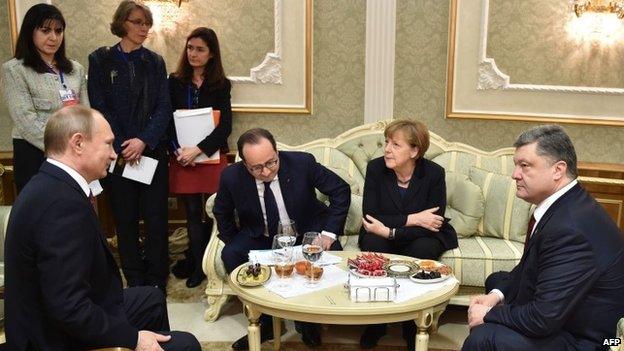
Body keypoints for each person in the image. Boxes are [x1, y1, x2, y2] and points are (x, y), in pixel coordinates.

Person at [3, 105, 200, 351]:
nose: (113, 155)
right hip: (53, 337)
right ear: (78, 143)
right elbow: (68, 309)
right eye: (108, 144)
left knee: (151, 297)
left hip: (69, 311)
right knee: (186, 344)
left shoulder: (51, 184)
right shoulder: (60, 205)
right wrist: (134, 338)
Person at [463, 125, 624, 351]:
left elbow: (543, 318)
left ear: (558, 170)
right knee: (497, 282)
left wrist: (489, 314)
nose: (514, 174)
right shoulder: (566, 204)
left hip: (593, 341)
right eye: (516, 165)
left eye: (525, 166)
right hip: (566, 318)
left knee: (485, 338)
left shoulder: (570, 228)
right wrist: (496, 297)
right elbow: (528, 267)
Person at [213, 128, 351, 350]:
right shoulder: (231, 176)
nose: (266, 172)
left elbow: (340, 190)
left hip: (306, 232)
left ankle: (308, 321)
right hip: (261, 235)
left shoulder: (302, 163)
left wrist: (328, 233)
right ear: (244, 163)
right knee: (231, 253)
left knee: (330, 252)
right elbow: (222, 212)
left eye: (271, 163)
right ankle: (264, 321)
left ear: (277, 152)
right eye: (256, 168)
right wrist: (232, 239)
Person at [88, 0, 172, 292]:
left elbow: (164, 107)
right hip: (119, 155)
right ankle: (134, 278)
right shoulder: (101, 60)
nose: (144, 28)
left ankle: (157, 278)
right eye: (137, 22)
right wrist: (126, 143)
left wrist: (143, 140)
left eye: (147, 23)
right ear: (122, 23)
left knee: (156, 219)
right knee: (124, 220)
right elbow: (99, 106)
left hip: (152, 153)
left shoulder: (155, 61)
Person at [357, 119, 458, 349]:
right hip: (385, 233)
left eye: (395, 144)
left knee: (423, 248)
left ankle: (411, 324)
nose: (387, 149)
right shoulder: (375, 168)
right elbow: (371, 216)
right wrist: (413, 219)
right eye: (386, 142)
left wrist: (390, 230)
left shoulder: (433, 174)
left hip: (421, 237)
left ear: (415, 150)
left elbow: (432, 222)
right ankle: (377, 321)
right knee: (373, 241)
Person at [168, 27, 231, 288]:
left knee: (216, 211)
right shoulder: (174, 81)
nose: (193, 54)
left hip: (212, 156)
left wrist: (199, 150)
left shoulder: (221, 84)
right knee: (192, 212)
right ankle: (196, 266)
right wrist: (179, 150)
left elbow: (225, 126)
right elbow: (166, 119)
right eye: (190, 48)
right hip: (182, 157)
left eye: (200, 49)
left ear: (212, 54)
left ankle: (212, 261)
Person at [2, 3, 88, 194]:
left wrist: (80, 148)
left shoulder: (75, 69)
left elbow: (85, 115)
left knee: (71, 213)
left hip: (73, 154)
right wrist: (65, 150)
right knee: (42, 217)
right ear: (30, 32)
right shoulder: (15, 70)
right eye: (45, 30)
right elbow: (26, 122)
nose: (53, 37)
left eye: (58, 31)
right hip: (34, 154)